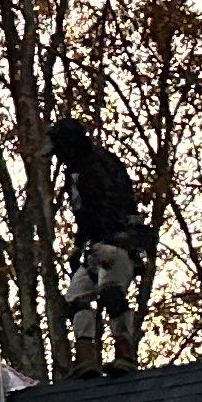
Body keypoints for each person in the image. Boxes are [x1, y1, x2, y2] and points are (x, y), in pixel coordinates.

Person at [50, 116, 157, 373]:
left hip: (115, 242)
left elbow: (118, 204)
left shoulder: (99, 166)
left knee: (112, 293)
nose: (59, 158)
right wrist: (81, 244)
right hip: (95, 245)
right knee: (77, 298)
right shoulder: (76, 172)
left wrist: (123, 243)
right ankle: (86, 359)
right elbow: (85, 214)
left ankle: (125, 354)